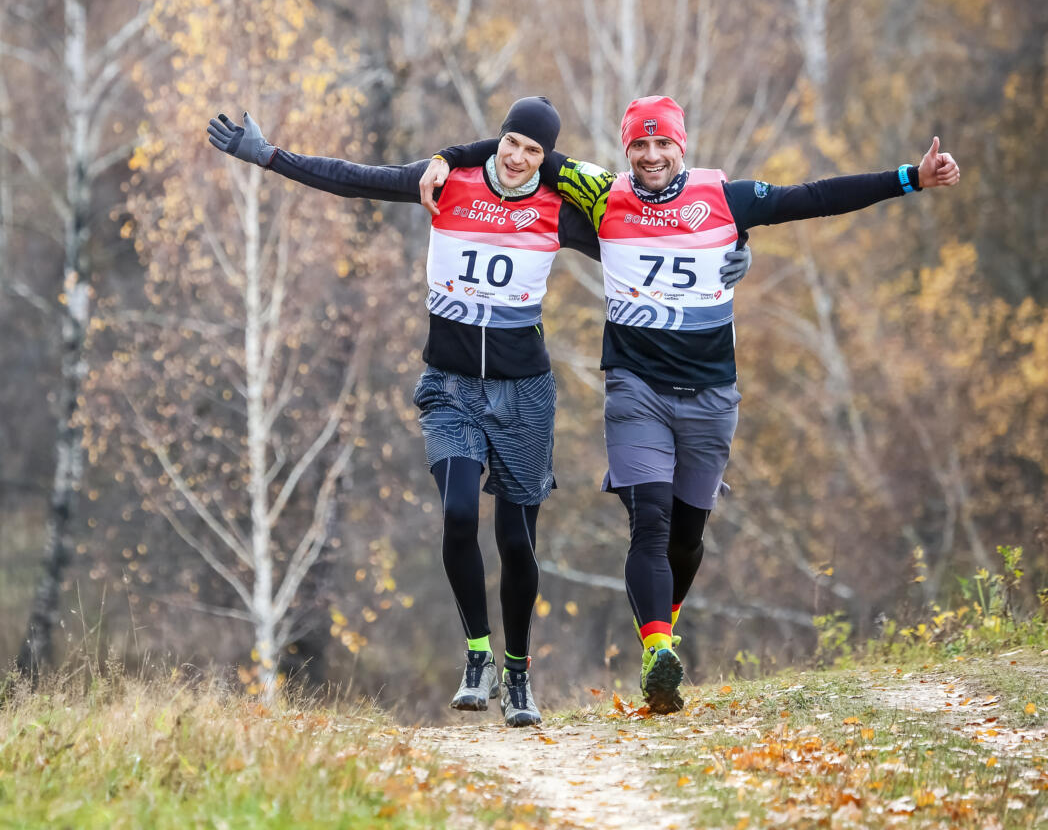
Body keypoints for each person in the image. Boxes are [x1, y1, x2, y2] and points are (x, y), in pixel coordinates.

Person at [208, 98, 752, 725]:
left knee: (517, 544)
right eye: (511, 143)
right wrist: (270, 155)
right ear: (497, 140)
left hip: (523, 394)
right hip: (452, 385)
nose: (519, 158)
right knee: (459, 510)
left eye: (534, 151)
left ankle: (518, 674)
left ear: (547, 161)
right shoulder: (447, 183)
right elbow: (357, 178)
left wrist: (735, 249)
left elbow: (662, 236)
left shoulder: (558, 210)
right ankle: (478, 655)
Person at [424, 95, 960, 713]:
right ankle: (656, 652)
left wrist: (910, 179)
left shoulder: (726, 200)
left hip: (711, 392)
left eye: (663, 145)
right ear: (625, 150)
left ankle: (664, 627)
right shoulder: (600, 193)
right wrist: (442, 158)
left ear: (683, 146)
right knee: (647, 519)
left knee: (687, 536)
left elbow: (814, 196)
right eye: (639, 146)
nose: (652, 156)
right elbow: (510, 148)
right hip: (635, 386)